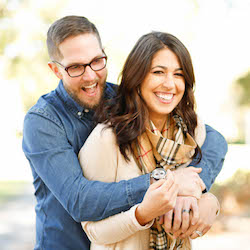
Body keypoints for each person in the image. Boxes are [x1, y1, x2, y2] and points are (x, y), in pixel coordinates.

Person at [22, 16, 227, 250]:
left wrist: (198, 191)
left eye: (97, 61)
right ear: (56, 70)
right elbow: (80, 200)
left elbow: (214, 140)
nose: (91, 76)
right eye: (75, 67)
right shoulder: (43, 121)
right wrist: (165, 182)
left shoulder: (124, 99)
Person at [78, 31, 222, 249]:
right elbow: (94, 231)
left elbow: (195, 187)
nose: (169, 84)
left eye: (178, 74)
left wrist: (210, 202)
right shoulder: (107, 139)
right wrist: (143, 214)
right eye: (158, 72)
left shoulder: (192, 131)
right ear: (138, 77)